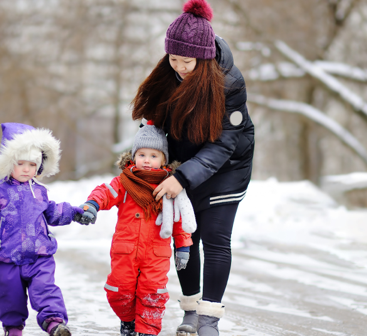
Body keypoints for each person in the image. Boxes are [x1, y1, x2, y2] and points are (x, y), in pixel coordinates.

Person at [131, 0, 255, 335]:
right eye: (174, 59)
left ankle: (209, 318)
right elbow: (153, 125)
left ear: (204, 56)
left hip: (228, 165)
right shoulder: (167, 76)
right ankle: (190, 309)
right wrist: (148, 158)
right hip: (185, 162)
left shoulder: (230, 82)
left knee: (215, 237)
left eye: (187, 61)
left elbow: (224, 143)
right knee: (186, 235)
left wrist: (183, 179)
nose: (181, 67)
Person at [76, 121, 194, 336]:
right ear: (133, 156)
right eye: (141, 155)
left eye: (153, 155)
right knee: (118, 291)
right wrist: (92, 204)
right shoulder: (124, 182)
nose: (147, 160)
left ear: (163, 160)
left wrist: (183, 246)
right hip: (125, 250)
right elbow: (106, 192)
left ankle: (147, 331)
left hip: (156, 253)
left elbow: (179, 219)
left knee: (153, 294)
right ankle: (128, 320)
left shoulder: (169, 186)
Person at [0, 122, 84, 336]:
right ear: (8, 162)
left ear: (38, 167)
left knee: (46, 289)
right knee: (8, 295)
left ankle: (54, 323)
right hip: (7, 256)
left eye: (32, 164)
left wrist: (74, 212)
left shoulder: (39, 191)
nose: (26, 169)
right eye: (20, 163)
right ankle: (13, 328)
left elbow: (51, 212)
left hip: (40, 255)